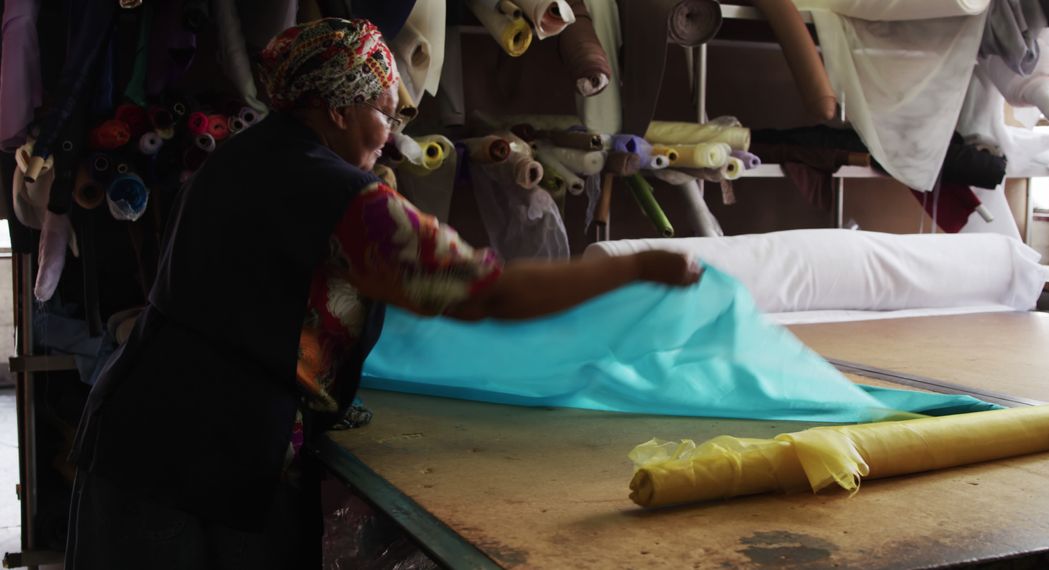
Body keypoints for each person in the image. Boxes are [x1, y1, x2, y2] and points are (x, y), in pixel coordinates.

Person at [65, 18, 700, 569]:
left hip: (134, 432)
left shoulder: (239, 157)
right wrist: (633, 269)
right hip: (205, 461)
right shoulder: (344, 198)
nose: (391, 133)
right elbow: (490, 293)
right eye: (385, 112)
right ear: (338, 110)